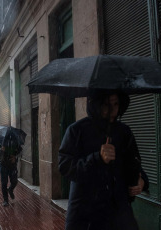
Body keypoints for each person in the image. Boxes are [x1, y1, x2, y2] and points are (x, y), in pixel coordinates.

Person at [58, 90, 149, 230]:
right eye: (107, 104)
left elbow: (133, 162)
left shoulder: (124, 132)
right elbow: (65, 166)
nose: (112, 109)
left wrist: (141, 179)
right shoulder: (77, 130)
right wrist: (97, 158)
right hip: (86, 215)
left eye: (116, 103)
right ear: (97, 104)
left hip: (119, 213)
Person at [0, 140, 22, 207]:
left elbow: (20, 151)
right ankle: (5, 200)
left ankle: (10, 189)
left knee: (14, 181)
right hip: (3, 165)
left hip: (12, 165)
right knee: (4, 183)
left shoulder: (15, 141)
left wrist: (15, 157)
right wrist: (0, 149)